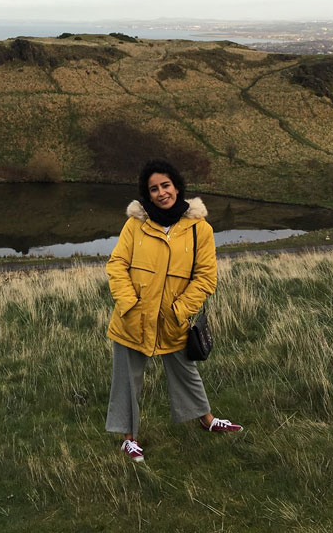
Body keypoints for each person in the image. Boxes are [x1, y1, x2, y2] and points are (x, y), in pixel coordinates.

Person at [105, 159, 241, 462]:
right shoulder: (135, 224)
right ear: (147, 194)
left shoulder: (199, 229)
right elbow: (117, 265)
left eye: (165, 185)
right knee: (128, 378)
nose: (161, 192)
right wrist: (128, 304)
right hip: (133, 318)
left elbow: (206, 277)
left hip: (173, 319)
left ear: (177, 186)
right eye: (153, 189)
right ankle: (129, 439)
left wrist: (180, 309)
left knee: (185, 371)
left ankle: (206, 420)